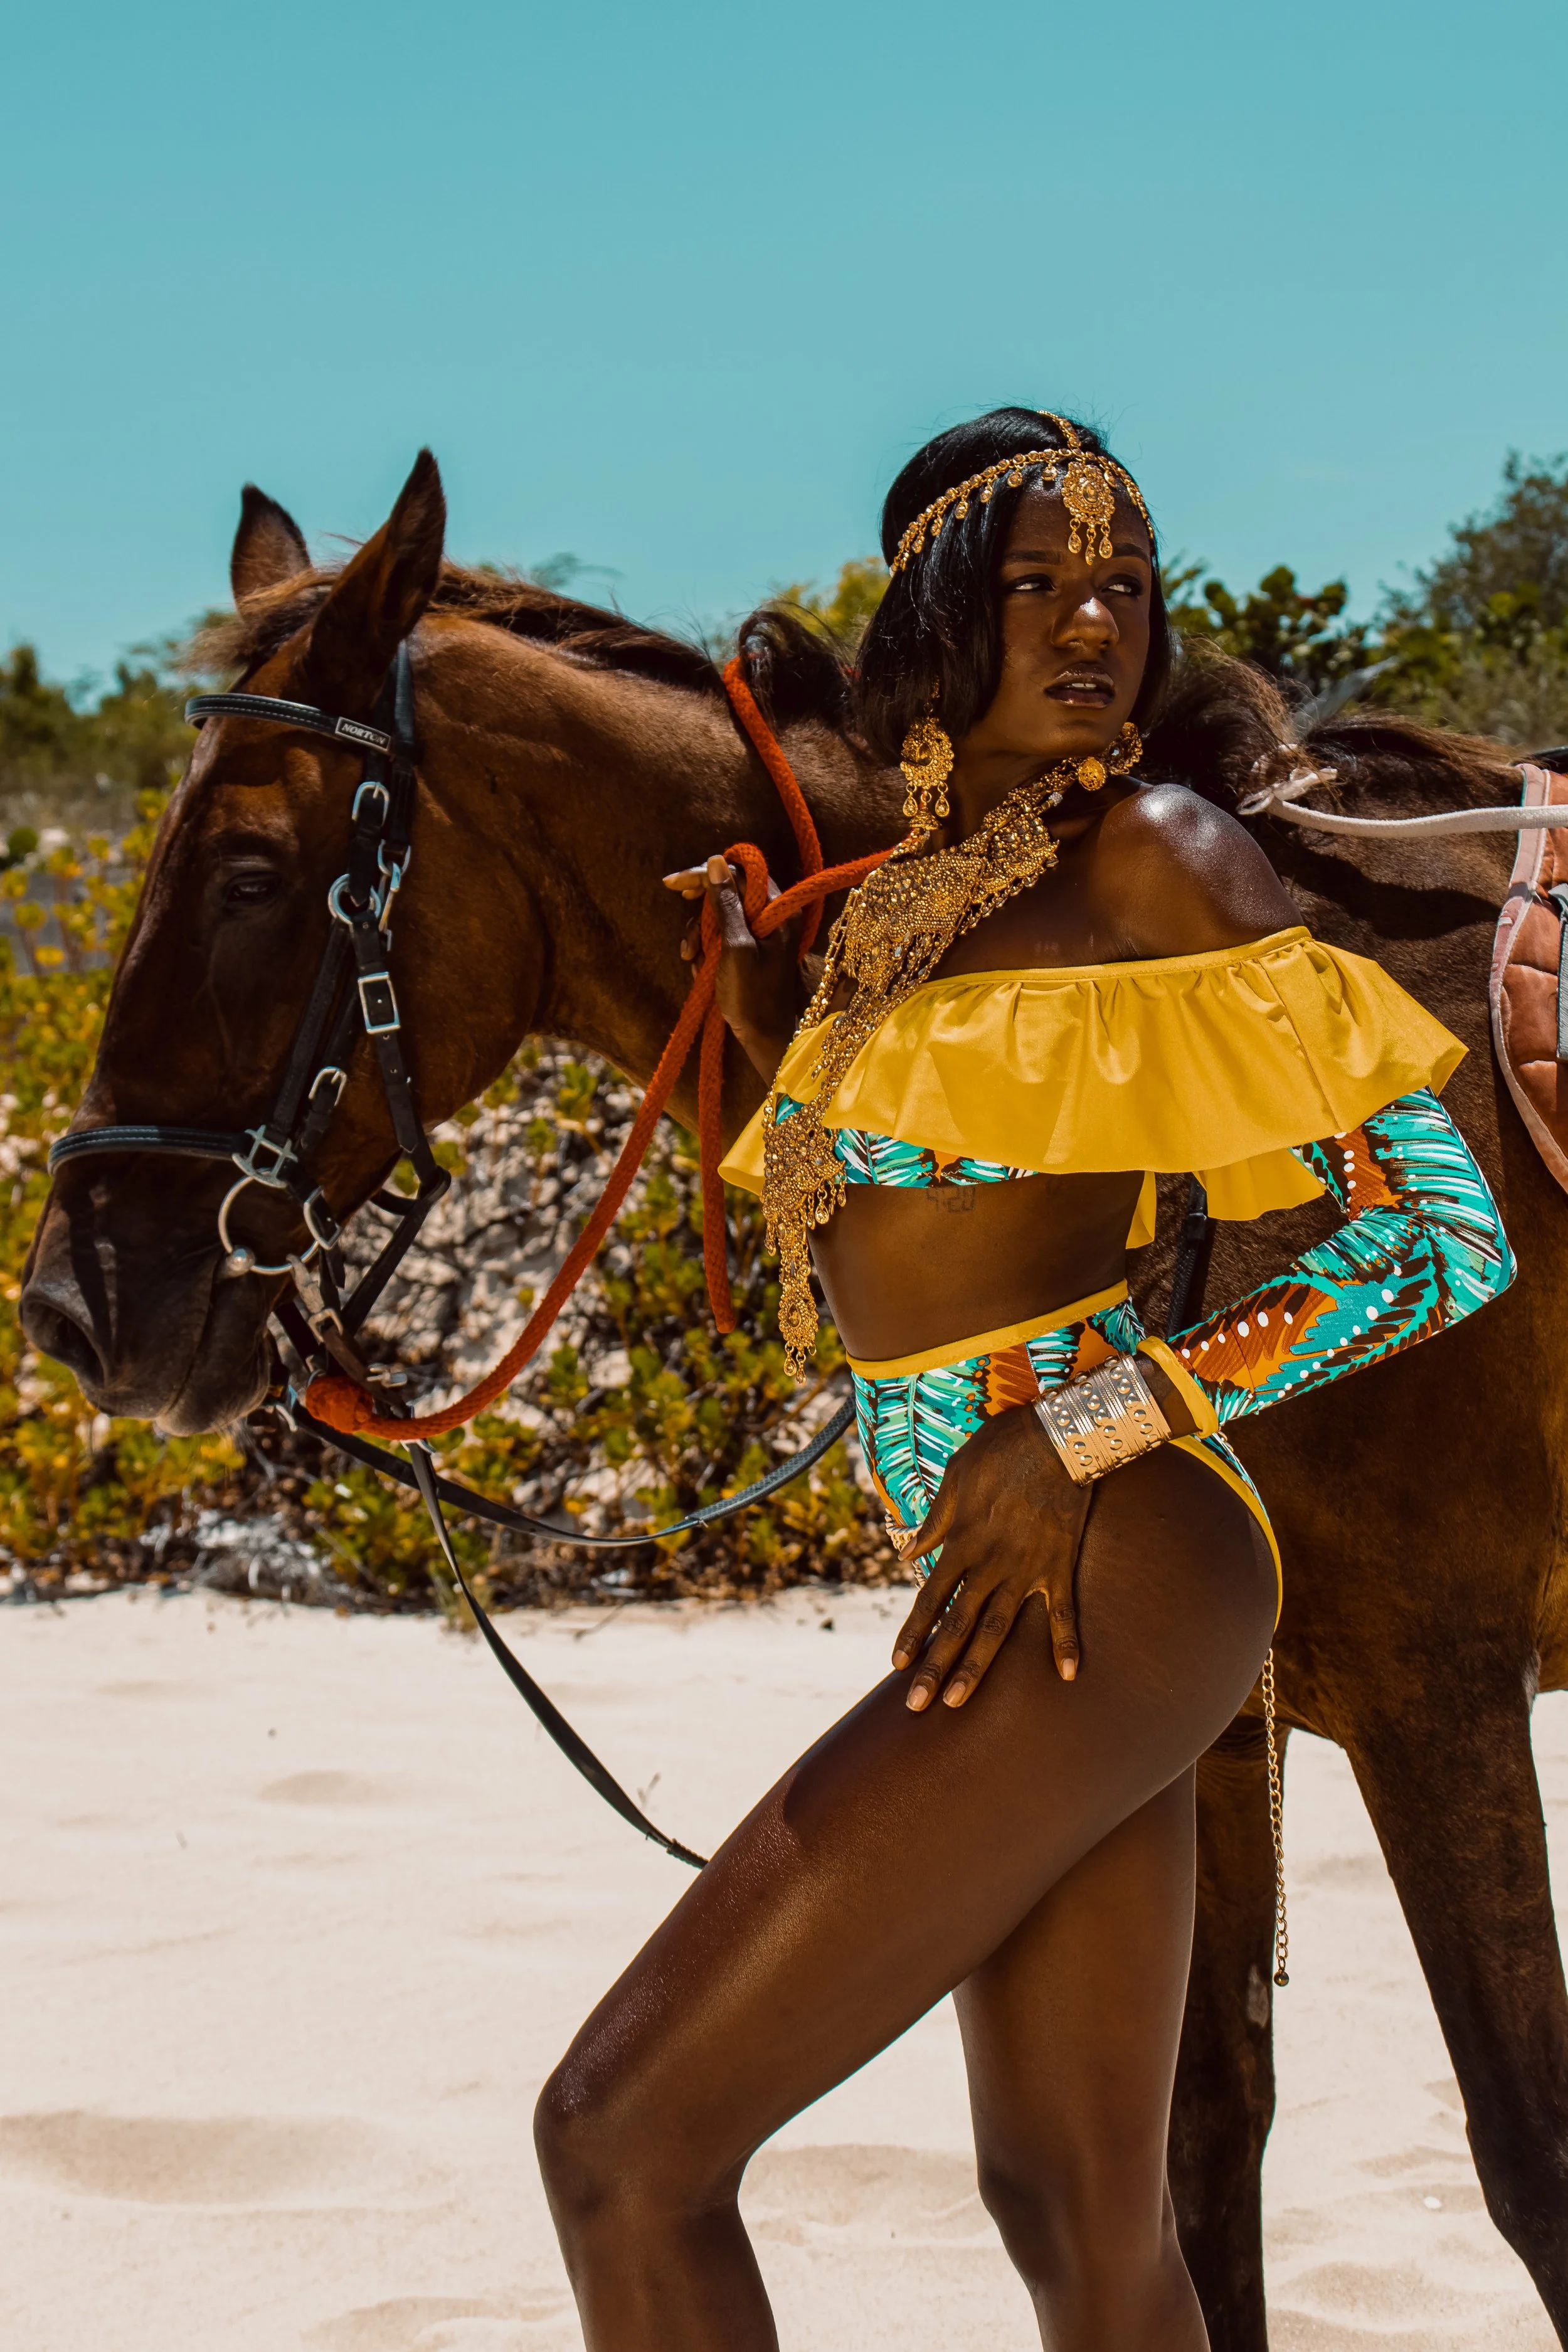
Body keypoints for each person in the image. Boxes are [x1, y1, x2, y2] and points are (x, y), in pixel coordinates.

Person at [533, 408, 1514, 2349]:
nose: (1095, 624)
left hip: (1116, 1554)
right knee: (1074, 2208)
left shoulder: (1156, 854)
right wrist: (753, 997)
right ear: (933, 625)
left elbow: (1435, 1237)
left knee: (618, 2142)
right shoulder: (914, 904)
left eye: (1126, 587)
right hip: (1028, 1575)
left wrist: (1093, 1419)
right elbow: (878, 1257)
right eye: (1038, 585)